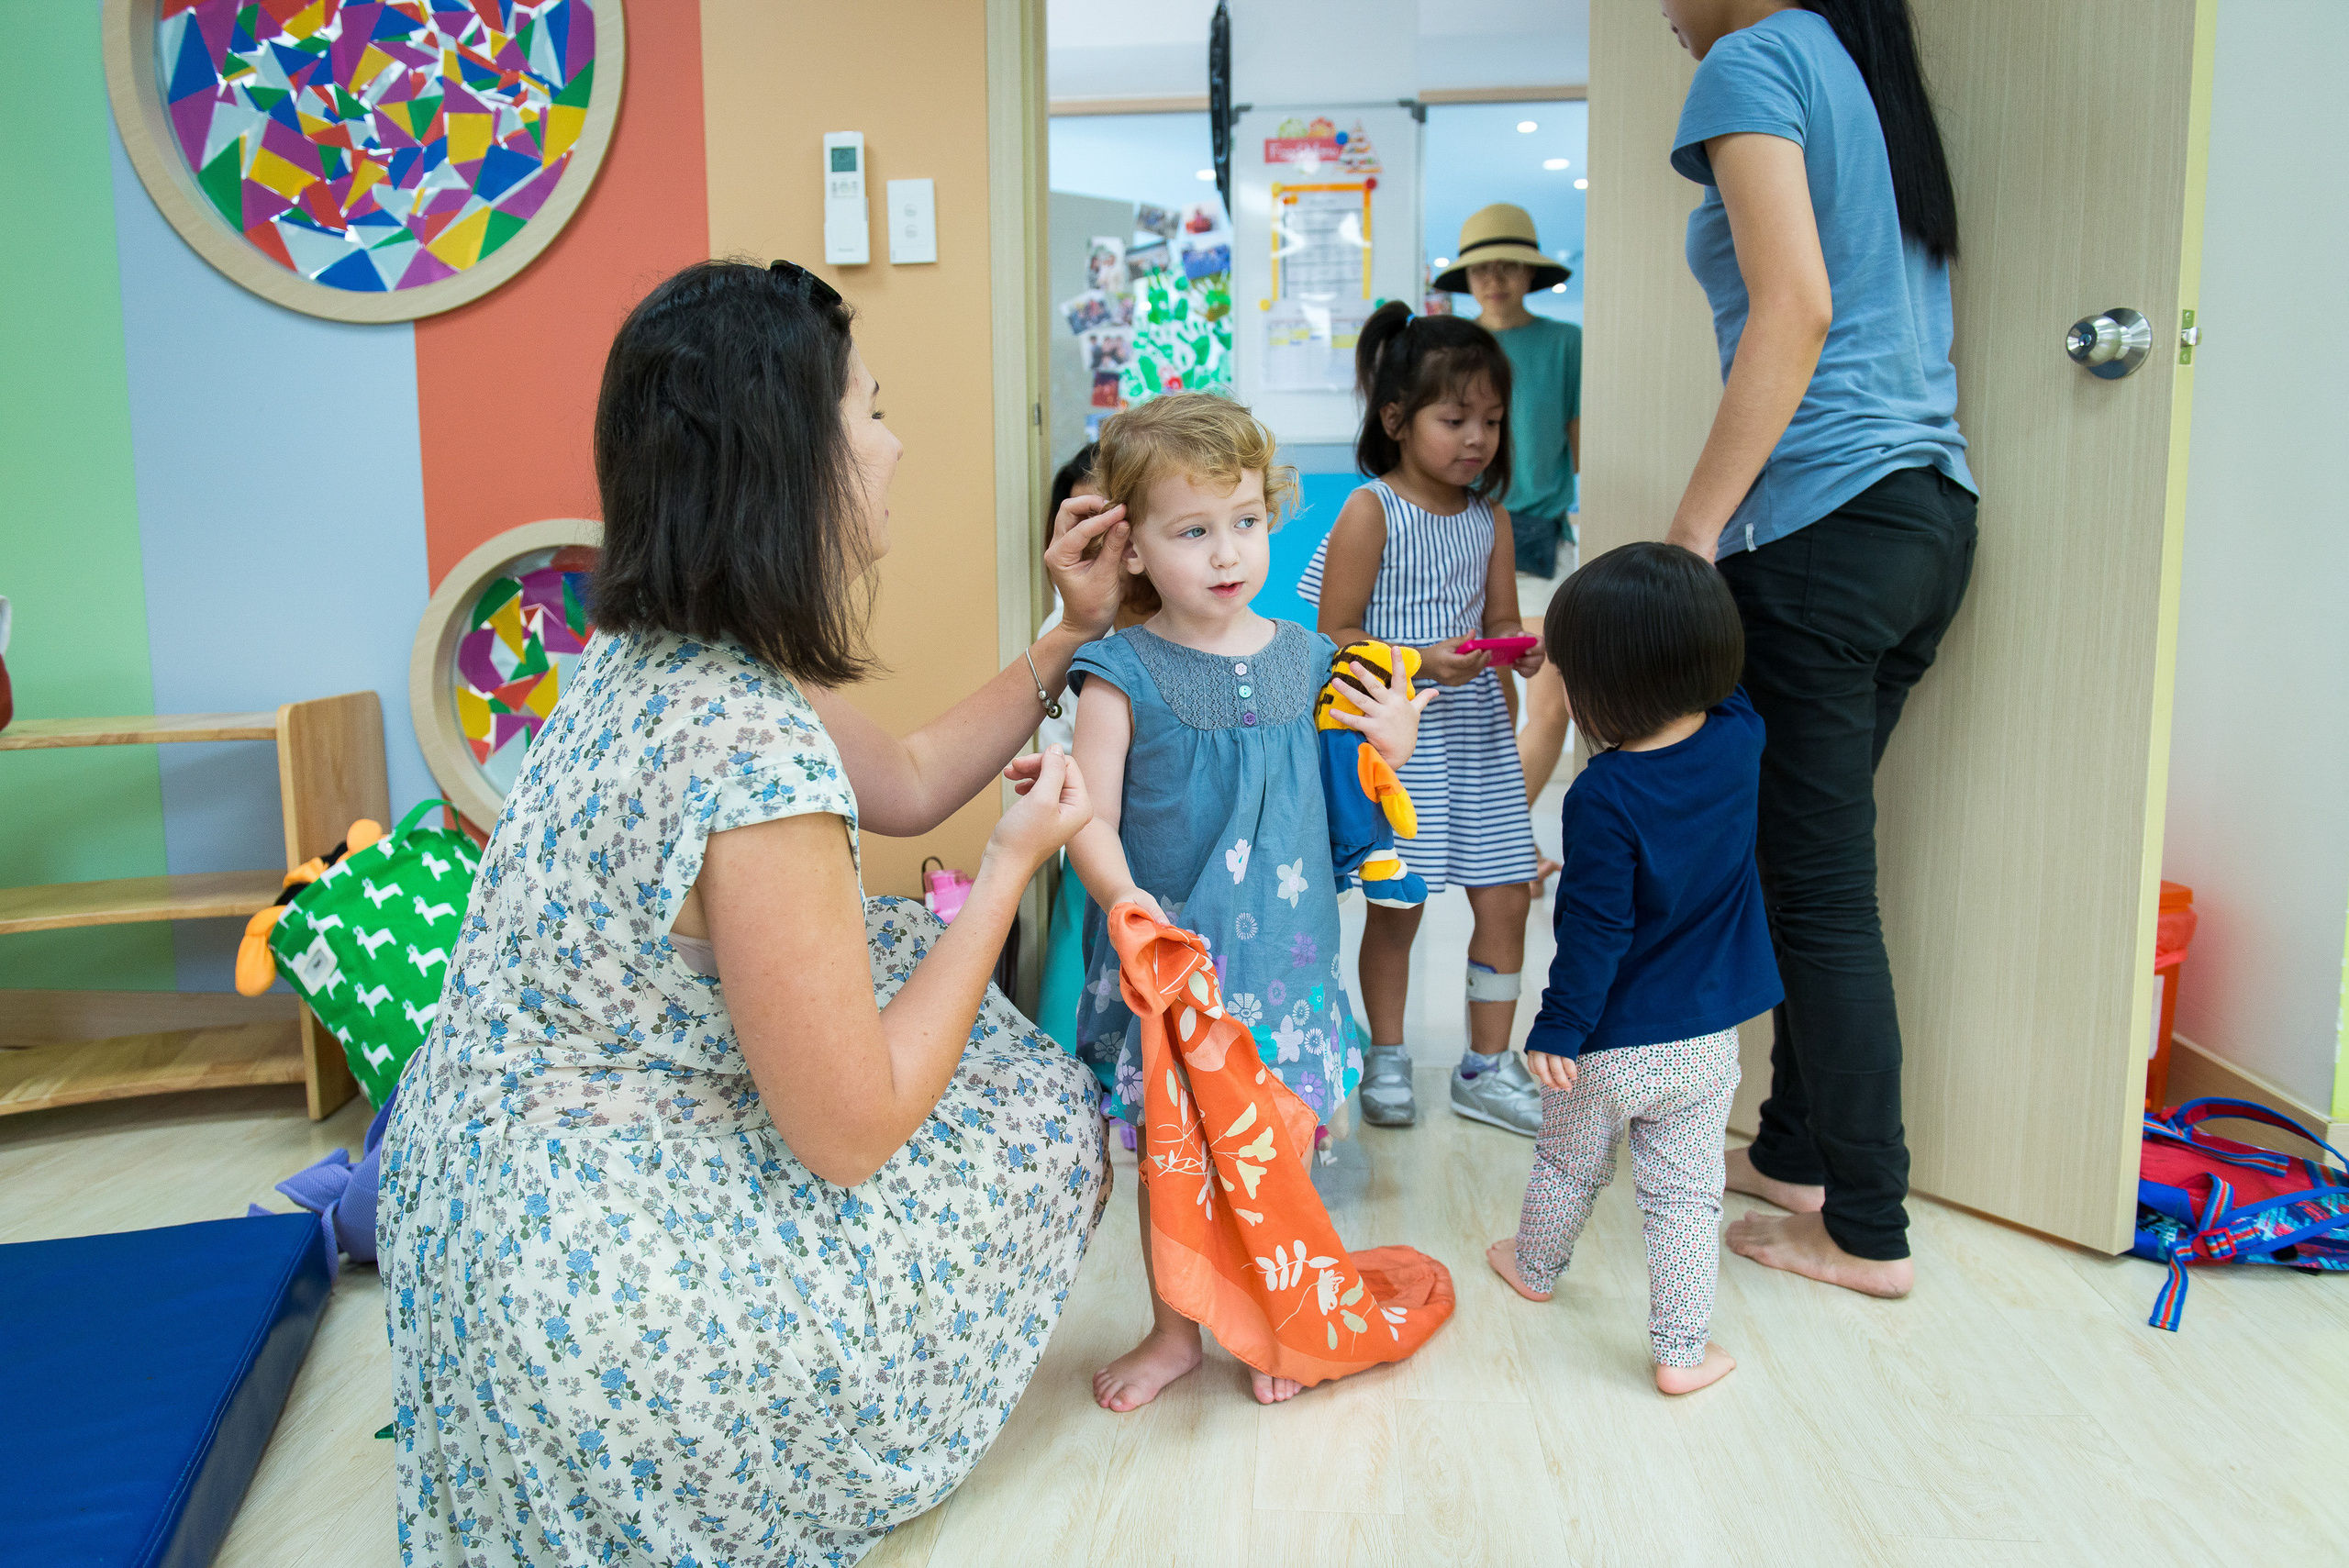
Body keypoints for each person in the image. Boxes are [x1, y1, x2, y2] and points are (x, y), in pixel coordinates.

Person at [379, 259, 1139, 1567]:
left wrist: (1068, 640)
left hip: (475, 1229)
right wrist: (1012, 867)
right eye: (871, 409)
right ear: (793, 460)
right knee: (1046, 1119)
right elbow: (850, 1135)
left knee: (898, 945)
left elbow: (898, 779)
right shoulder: (746, 751)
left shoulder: (651, 652)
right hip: (603, 1317)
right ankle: (797, 1446)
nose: (894, 443)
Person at [1657, 0, 1977, 1297]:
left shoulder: (1753, 60)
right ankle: (1795, 1148)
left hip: (1825, 524)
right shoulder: (1858, 69)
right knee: (1806, 857)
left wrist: (1693, 531)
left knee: (1820, 885)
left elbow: (1791, 308)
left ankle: (1868, 1224)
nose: (1660, 15)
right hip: (1927, 518)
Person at [1063, 393, 1430, 1412]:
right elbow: (1083, 812)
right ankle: (1174, 1329)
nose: (1226, 552)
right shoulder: (1117, 671)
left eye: (1245, 521)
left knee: (1287, 1149)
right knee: (1171, 1161)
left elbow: (1359, 782)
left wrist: (1389, 744)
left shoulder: (1312, 660)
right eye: (1191, 531)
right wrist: (1125, 900)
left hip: (1291, 969)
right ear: (1132, 547)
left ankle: (1282, 1313)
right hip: (1172, 974)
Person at [1486, 543, 1783, 1396]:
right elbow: (1707, 674)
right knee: (1686, 1200)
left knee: (1567, 1164)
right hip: (1706, 1041)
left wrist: (1557, 1026)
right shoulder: (1742, 735)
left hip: (1608, 1042)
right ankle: (1683, 1352)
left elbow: (1597, 931)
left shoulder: (1602, 794)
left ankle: (1536, 1266)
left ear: (1600, 689)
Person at [1300, 305, 1549, 1136]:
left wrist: (1520, 652)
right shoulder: (1371, 510)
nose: (1477, 437)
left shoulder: (1492, 519)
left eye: (1492, 420)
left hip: (1477, 738)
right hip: (1396, 740)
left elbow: (1501, 618)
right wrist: (1418, 658)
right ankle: (1389, 1055)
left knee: (1507, 898)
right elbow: (1330, 634)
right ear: (1397, 419)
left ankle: (1487, 1063)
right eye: (1455, 418)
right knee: (1396, 907)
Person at [1435, 204, 1586, 861]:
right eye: (1483, 267)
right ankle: (1503, 851)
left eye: (1508, 265)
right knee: (1485, 712)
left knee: (1551, 703)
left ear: (1530, 271)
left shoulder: (1565, 343)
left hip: (1542, 533)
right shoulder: (1447, 352)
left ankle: (1505, 843)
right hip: (1462, 531)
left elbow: (1580, 444)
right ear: (1468, 277)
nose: (1495, 278)